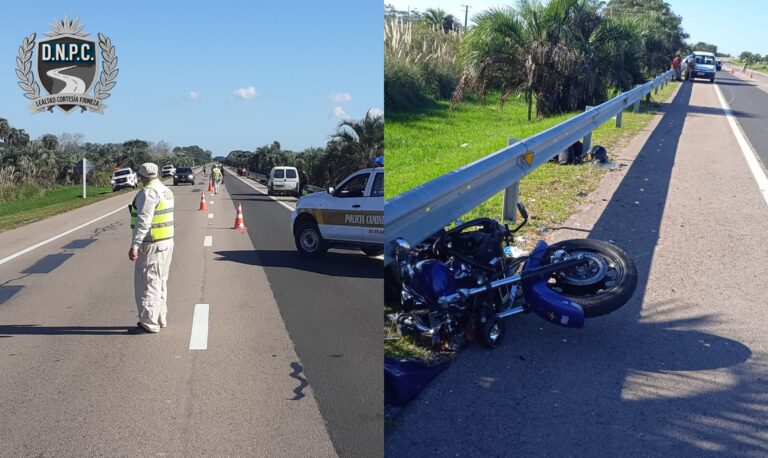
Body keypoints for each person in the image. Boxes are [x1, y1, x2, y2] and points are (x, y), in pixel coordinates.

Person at [128, 163, 175, 333]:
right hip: (166, 241)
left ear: (142, 176)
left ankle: (149, 323)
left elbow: (144, 222)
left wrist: (135, 245)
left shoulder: (148, 192)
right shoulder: (165, 190)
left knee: (148, 283)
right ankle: (160, 318)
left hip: (152, 244)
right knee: (160, 282)